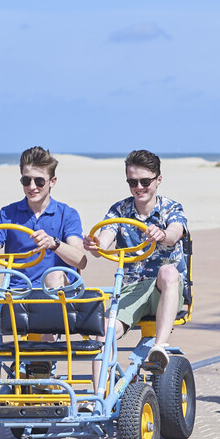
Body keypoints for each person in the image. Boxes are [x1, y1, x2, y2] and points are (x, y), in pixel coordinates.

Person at [0, 146, 87, 364]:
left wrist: (54, 244)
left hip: (56, 294)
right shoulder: (8, 213)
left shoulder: (67, 214)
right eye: (26, 181)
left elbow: (80, 259)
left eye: (39, 181)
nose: (32, 187)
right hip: (17, 292)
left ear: (52, 182)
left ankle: (41, 370)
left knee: (52, 278)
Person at [85, 150, 189, 373]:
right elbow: (104, 241)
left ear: (158, 179)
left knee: (168, 272)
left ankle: (159, 348)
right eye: (133, 182)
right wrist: (95, 245)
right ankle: (100, 400)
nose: (139, 187)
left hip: (165, 288)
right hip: (132, 289)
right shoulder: (119, 210)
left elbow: (175, 232)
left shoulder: (171, 208)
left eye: (145, 181)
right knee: (103, 332)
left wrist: (163, 234)